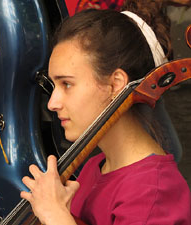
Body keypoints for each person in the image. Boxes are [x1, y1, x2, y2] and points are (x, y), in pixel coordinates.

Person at [20, 1, 191, 224]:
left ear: (116, 84)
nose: (52, 103)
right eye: (54, 86)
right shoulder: (96, 166)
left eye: (67, 84)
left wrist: (56, 216)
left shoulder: (153, 192)